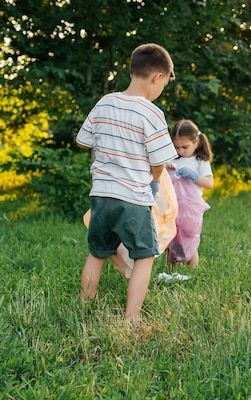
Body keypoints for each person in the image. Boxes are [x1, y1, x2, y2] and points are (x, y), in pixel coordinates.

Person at [76, 43, 178, 323]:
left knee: (97, 253)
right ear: (157, 77)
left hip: (101, 195)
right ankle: (132, 317)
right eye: (164, 85)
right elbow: (159, 161)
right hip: (133, 198)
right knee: (144, 257)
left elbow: (83, 140)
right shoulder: (151, 112)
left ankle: (84, 308)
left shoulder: (105, 102)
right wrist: (154, 179)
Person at [165, 119, 214, 269]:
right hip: (173, 206)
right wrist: (167, 168)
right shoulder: (173, 160)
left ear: (196, 141)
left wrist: (193, 175)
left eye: (185, 147)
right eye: (177, 147)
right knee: (171, 239)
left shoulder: (200, 161)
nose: (181, 151)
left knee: (189, 239)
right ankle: (170, 272)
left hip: (190, 209)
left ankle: (193, 272)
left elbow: (209, 183)